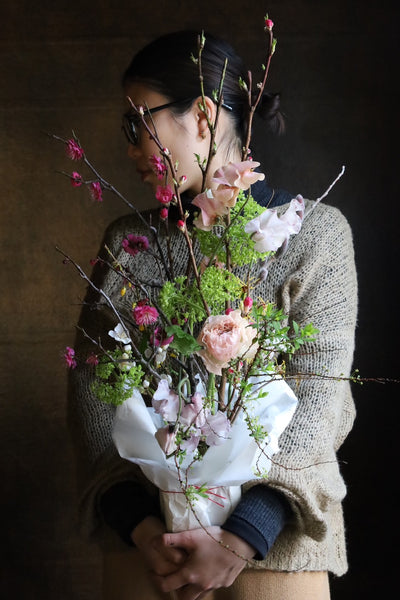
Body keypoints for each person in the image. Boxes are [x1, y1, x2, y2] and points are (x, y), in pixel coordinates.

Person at [68, 30, 357, 600]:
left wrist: (245, 536)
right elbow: (91, 389)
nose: (130, 148)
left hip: (278, 553)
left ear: (201, 115)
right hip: (148, 556)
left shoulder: (316, 237)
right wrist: (141, 526)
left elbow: (321, 398)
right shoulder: (130, 242)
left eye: (138, 124)